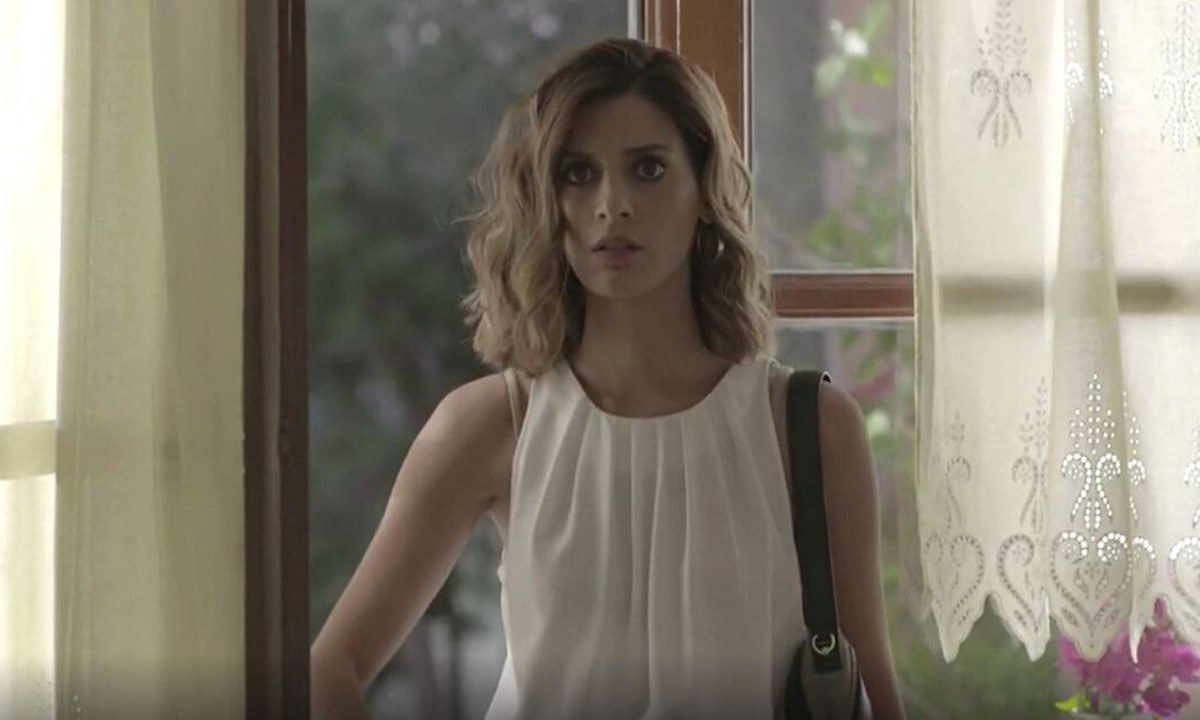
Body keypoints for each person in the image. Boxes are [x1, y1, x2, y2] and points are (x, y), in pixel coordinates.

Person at [311, 37, 905, 720]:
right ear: (546, 197)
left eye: (648, 169)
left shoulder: (810, 428)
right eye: (577, 172)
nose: (612, 204)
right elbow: (331, 666)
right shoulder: (493, 425)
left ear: (704, 189)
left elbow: (873, 693)